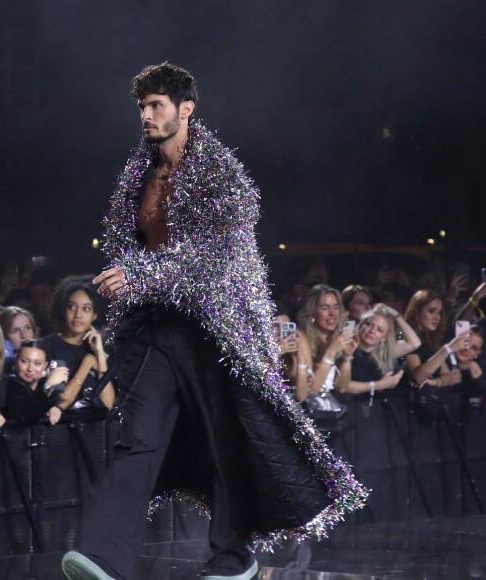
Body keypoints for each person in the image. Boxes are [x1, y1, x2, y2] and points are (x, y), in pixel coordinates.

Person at [61, 62, 367, 580]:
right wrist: (135, 283)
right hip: (159, 324)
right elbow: (126, 242)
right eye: (142, 106)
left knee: (226, 437)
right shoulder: (139, 174)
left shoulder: (221, 173)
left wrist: (139, 273)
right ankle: (100, 556)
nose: (146, 115)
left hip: (215, 329)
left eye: (156, 105)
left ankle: (234, 555)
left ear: (186, 109)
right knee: (138, 437)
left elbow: (214, 255)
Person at [42, 275, 114, 411]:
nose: (78, 315)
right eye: (71, 307)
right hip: (58, 429)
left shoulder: (94, 350)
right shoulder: (46, 346)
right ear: (63, 310)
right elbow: (59, 403)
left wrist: (99, 353)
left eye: (86, 309)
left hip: (93, 429)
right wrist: (87, 364)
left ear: (95, 315)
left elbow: (108, 404)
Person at [296, 284, 358, 396]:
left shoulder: (333, 339)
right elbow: (311, 390)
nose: (332, 314)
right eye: (325, 308)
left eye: (335, 307)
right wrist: (330, 353)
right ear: (312, 313)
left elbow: (342, 387)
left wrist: (347, 356)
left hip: (329, 406)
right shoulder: (302, 338)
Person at [347, 304, 420, 395]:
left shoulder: (383, 352)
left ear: (384, 338)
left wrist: (394, 313)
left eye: (379, 330)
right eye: (369, 324)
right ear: (361, 324)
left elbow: (415, 343)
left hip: (371, 406)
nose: (372, 331)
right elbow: (342, 385)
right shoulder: (346, 347)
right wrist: (379, 385)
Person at [0, 339, 68, 426]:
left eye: (38, 363)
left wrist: (55, 407)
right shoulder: (6, 385)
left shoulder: (42, 386)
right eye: (24, 361)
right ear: (16, 360)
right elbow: (25, 417)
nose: (30, 369)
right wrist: (48, 386)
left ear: (45, 365)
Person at [404, 289, 470, 389]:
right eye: (431, 311)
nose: (437, 317)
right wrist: (448, 349)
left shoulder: (429, 341)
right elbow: (417, 377)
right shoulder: (406, 338)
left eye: (439, 312)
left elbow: (451, 376)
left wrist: (438, 382)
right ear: (416, 312)